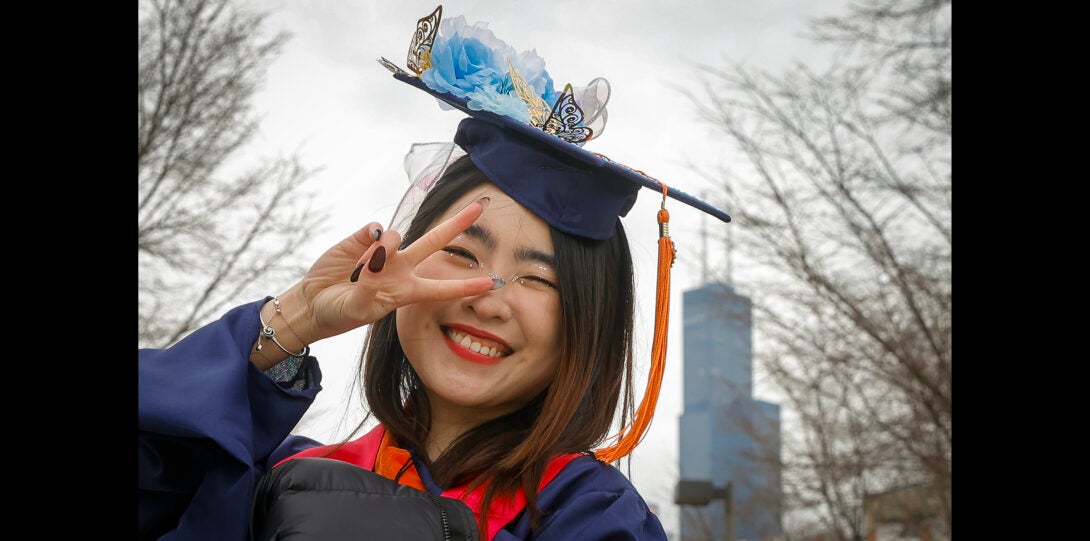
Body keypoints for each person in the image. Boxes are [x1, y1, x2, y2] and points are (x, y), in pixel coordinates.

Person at [138, 6, 731, 540]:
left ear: (587, 324)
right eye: (463, 254)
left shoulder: (594, 518)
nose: (486, 297)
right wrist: (295, 319)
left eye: (539, 279)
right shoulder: (280, 476)